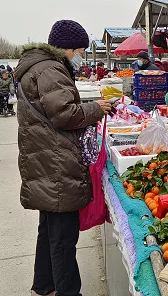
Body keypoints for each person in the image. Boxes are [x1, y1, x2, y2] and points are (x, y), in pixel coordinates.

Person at [14, 19, 113, 296]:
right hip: (56, 163)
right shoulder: (50, 69)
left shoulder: (38, 66)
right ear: (68, 48)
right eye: (80, 50)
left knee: (49, 232)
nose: (80, 56)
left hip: (45, 158)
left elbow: (53, 108)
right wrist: (95, 109)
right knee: (62, 238)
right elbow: (65, 114)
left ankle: (43, 286)